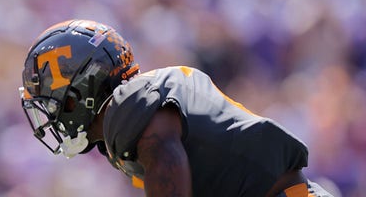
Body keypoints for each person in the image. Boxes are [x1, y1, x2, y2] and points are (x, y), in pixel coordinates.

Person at [18, 19, 333, 197]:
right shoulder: (148, 101)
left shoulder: (132, 106)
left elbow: (166, 159)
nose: (52, 114)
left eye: (55, 101)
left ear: (82, 90)